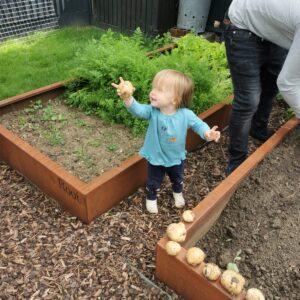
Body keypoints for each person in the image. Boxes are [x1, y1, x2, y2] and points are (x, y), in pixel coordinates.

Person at [112, 70, 220, 214]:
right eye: (154, 88)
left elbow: (198, 125)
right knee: (153, 181)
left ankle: (177, 192)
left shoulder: (185, 114)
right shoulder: (152, 111)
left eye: (159, 90)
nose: (152, 92)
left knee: (177, 177)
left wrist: (207, 133)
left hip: (175, 157)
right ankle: (151, 197)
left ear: (174, 99)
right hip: (156, 157)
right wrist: (128, 98)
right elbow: (138, 110)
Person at [224, 0, 300, 175]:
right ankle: (237, 162)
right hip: (243, 26)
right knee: (248, 100)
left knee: (271, 84)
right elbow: (288, 83)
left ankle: (258, 129)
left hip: (272, 28)